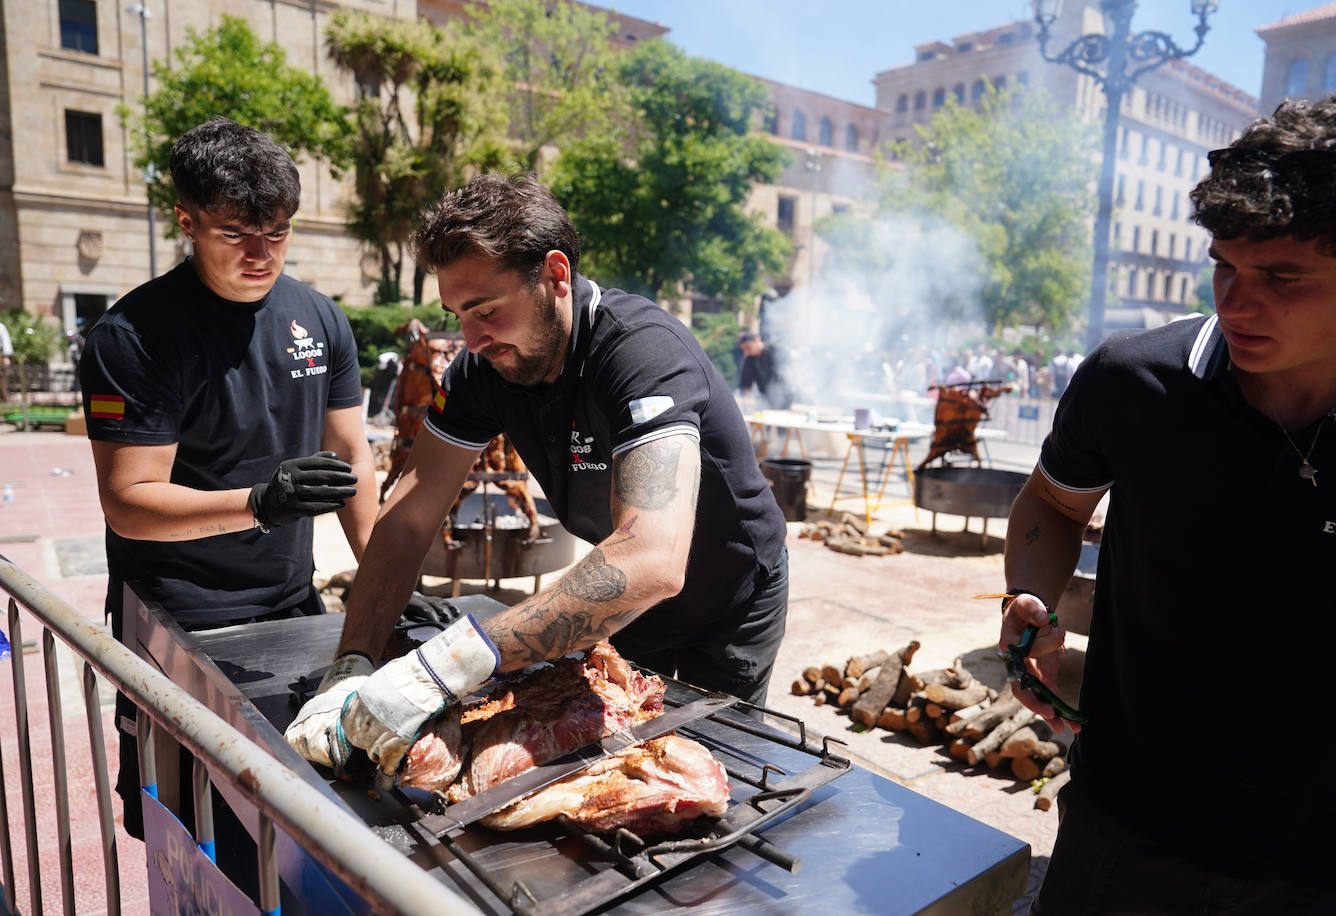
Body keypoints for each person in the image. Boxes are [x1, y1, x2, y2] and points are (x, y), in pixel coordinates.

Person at [1001, 86, 1336, 913]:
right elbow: (1052, 506)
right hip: (1129, 829)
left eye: (1284, 275)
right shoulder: (1135, 380)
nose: (1237, 302)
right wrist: (1030, 596)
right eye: (1225, 266)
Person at [286, 173, 789, 783]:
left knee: (701, 781)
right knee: (612, 758)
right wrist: (354, 665)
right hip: (626, 606)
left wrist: (449, 663)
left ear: (555, 274)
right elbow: (408, 516)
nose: (471, 339)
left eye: (487, 310)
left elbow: (653, 558)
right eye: (457, 315)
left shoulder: (641, 352)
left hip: (728, 598)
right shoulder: (484, 369)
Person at [78, 116, 377, 843]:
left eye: (277, 231)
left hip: (293, 608)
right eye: (236, 232)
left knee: (303, 824)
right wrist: (258, 503)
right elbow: (129, 503)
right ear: (185, 220)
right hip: (177, 619)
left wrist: (386, 583)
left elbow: (353, 458)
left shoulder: (320, 319)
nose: (260, 252)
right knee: (187, 834)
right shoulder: (133, 337)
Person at [737, 329, 791, 409]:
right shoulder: (750, 360)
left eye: (748, 347)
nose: (747, 352)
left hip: (786, 397)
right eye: (744, 349)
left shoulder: (774, 351)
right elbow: (746, 385)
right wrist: (746, 405)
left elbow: (789, 374)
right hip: (766, 400)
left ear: (756, 340)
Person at [0, 316, 11, 403]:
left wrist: (6, 356)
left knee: (2, 380)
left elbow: (6, 342)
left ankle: (5, 400)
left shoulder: (1, 326)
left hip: (0, 356)